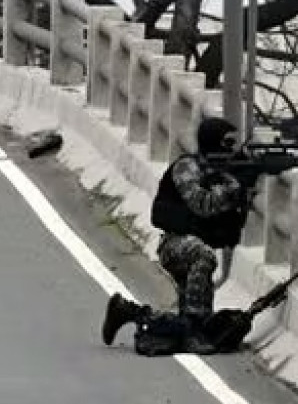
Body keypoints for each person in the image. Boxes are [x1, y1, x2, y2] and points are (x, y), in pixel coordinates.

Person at [103, 114, 266, 355]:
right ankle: (191, 334)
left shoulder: (221, 172)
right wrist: (233, 186)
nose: (232, 149)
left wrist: (244, 188)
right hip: (174, 244)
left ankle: (128, 311)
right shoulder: (187, 167)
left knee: (195, 322)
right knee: (204, 257)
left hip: (194, 243)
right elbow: (202, 204)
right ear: (214, 142)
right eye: (227, 143)